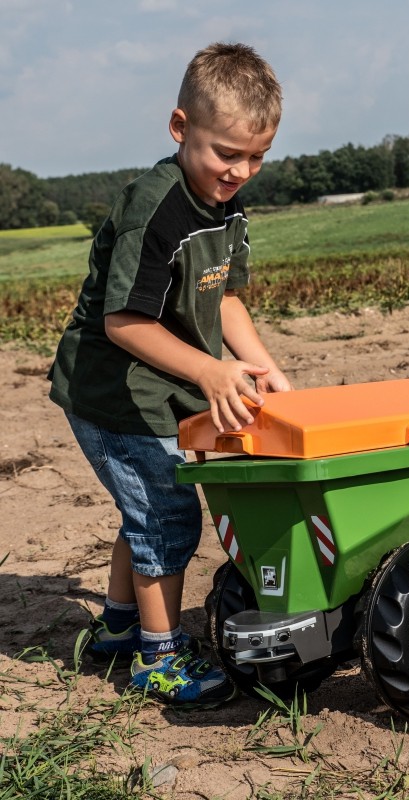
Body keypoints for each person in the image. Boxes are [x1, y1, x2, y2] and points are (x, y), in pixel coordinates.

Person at [48, 42, 292, 708]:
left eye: (256, 156)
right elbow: (123, 323)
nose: (240, 171)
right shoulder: (157, 210)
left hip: (163, 383)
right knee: (166, 513)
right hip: (114, 391)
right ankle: (156, 659)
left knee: (146, 511)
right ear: (180, 128)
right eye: (226, 153)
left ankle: (121, 628)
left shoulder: (225, 204)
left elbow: (227, 297)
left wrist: (262, 364)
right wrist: (212, 371)